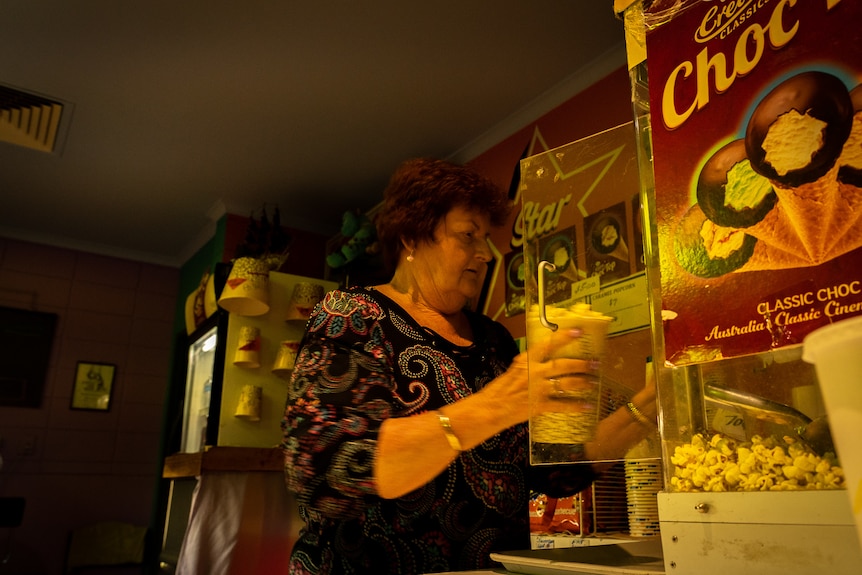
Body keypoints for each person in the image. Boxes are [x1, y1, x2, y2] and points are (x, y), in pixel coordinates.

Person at [281, 158, 657, 575]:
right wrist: (495, 407)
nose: (484, 253)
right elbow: (323, 470)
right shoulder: (353, 314)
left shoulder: (492, 339)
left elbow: (550, 472)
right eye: (467, 236)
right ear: (411, 237)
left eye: (486, 238)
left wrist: (647, 409)